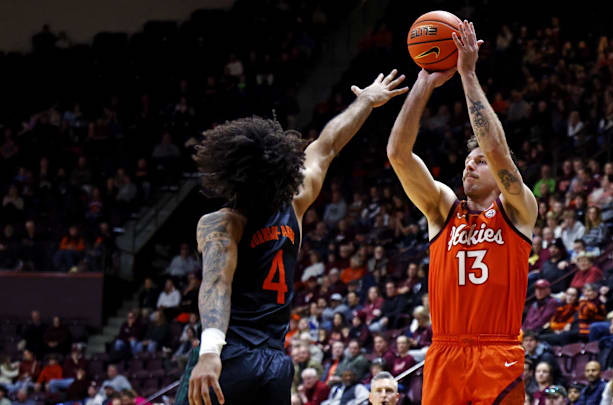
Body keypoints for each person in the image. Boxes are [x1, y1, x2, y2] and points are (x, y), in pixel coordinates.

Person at [177, 69, 407, 405]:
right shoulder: (295, 203)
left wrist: (210, 352)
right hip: (275, 364)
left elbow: (217, 283)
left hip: (231, 354)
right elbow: (326, 146)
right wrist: (366, 102)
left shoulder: (223, 223)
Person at [387, 21, 537, 404]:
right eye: (468, 160)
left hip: (496, 352)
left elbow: (497, 150)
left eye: (480, 161)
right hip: (445, 352)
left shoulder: (518, 209)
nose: (470, 165)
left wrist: (468, 75)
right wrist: (425, 82)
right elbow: (398, 155)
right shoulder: (441, 210)